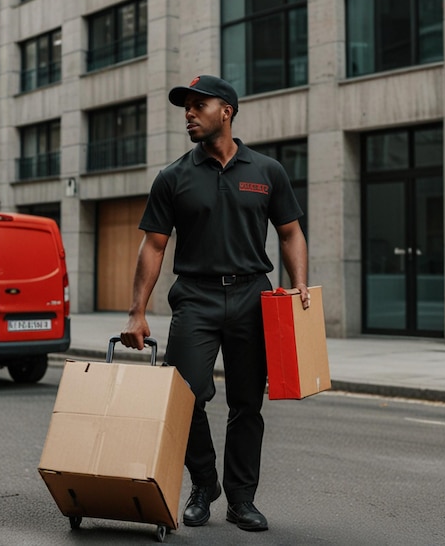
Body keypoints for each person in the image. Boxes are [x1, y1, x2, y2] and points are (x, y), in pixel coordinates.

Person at [120, 74, 310, 532]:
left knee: (247, 403)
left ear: (226, 110)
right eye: (185, 107)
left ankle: (242, 501)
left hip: (252, 295)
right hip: (196, 297)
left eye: (197, 105)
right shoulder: (173, 177)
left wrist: (299, 287)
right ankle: (204, 484)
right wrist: (137, 310)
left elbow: (290, 232)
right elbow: (153, 246)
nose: (188, 113)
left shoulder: (267, 172)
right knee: (183, 397)